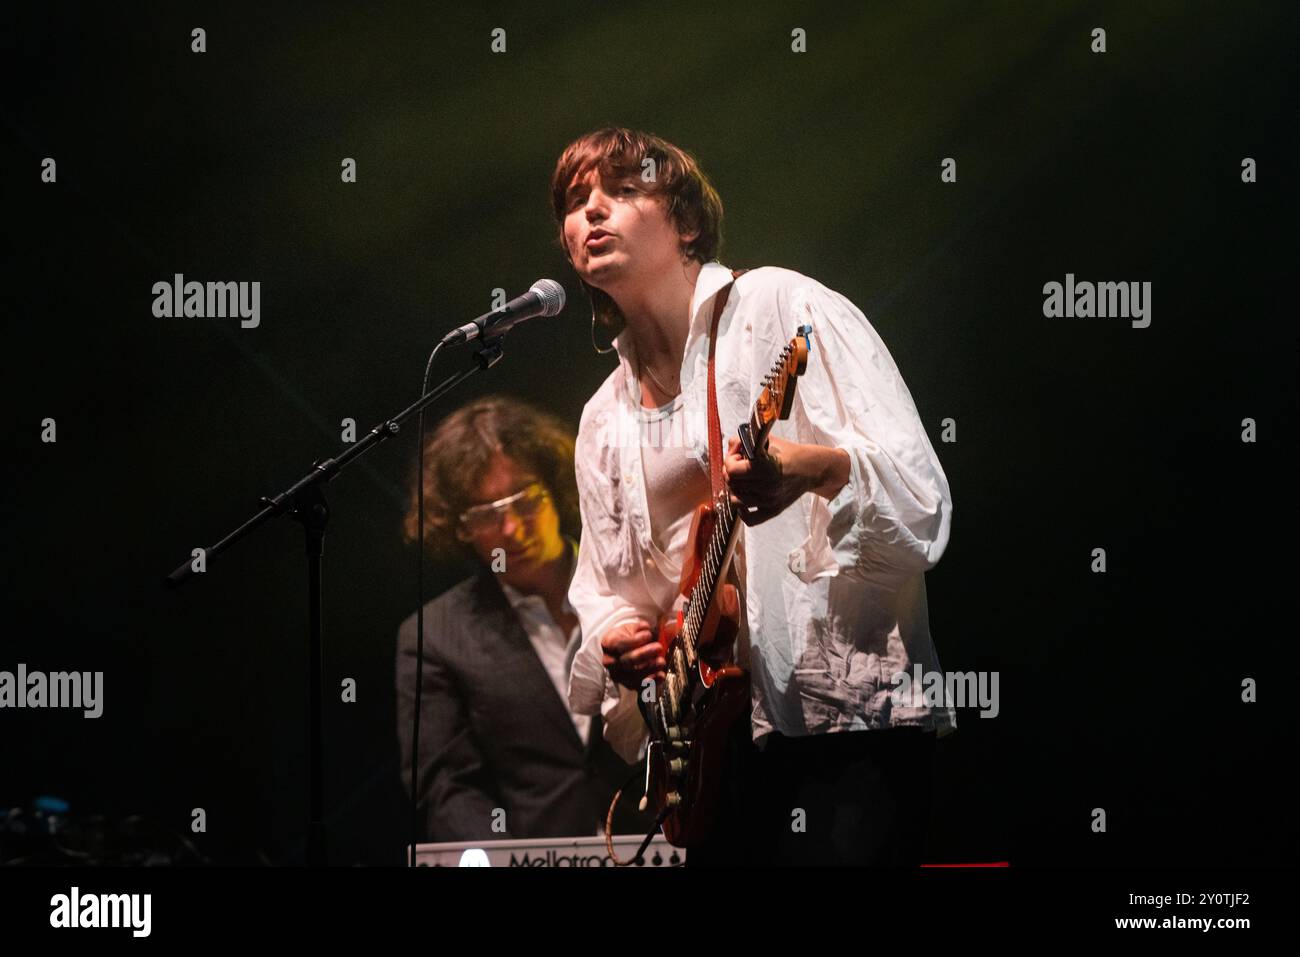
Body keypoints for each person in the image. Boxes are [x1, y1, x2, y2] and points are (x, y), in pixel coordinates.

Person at [554, 127, 957, 865]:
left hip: (838, 729)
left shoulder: (779, 306)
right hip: (710, 751)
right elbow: (606, 587)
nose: (594, 213)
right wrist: (616, 635)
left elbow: (920, 497)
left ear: (686, 222)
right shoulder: (601, 417)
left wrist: (810, 465)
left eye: (621, 189)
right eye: (577, 203)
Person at [395, 395, 650, 842]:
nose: (512, 528)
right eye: (487, 514)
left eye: (524, 499)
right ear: (460, 527)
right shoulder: (434, 635)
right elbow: (447, 786)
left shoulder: (635, 579)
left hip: (670, 841)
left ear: (556, 487)